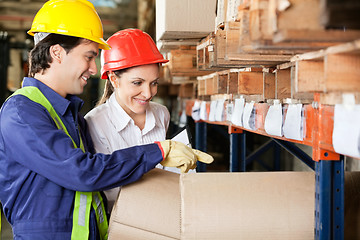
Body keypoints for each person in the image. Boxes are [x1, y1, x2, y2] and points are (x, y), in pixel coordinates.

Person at [0, 1, 213, 239]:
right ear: (57, 52)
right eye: (89, 56)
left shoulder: (69, 114)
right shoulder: (22, 112)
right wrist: (158, 152)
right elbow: (83, 172)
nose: (93, 68)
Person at [84, 29, 192, 211]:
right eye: (137, 83)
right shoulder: (95, 123)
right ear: (113, 79)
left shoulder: (161, 114)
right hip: (121, 219)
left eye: (154, 83)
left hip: (163, 209)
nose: (149, 93)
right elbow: (110, 188)